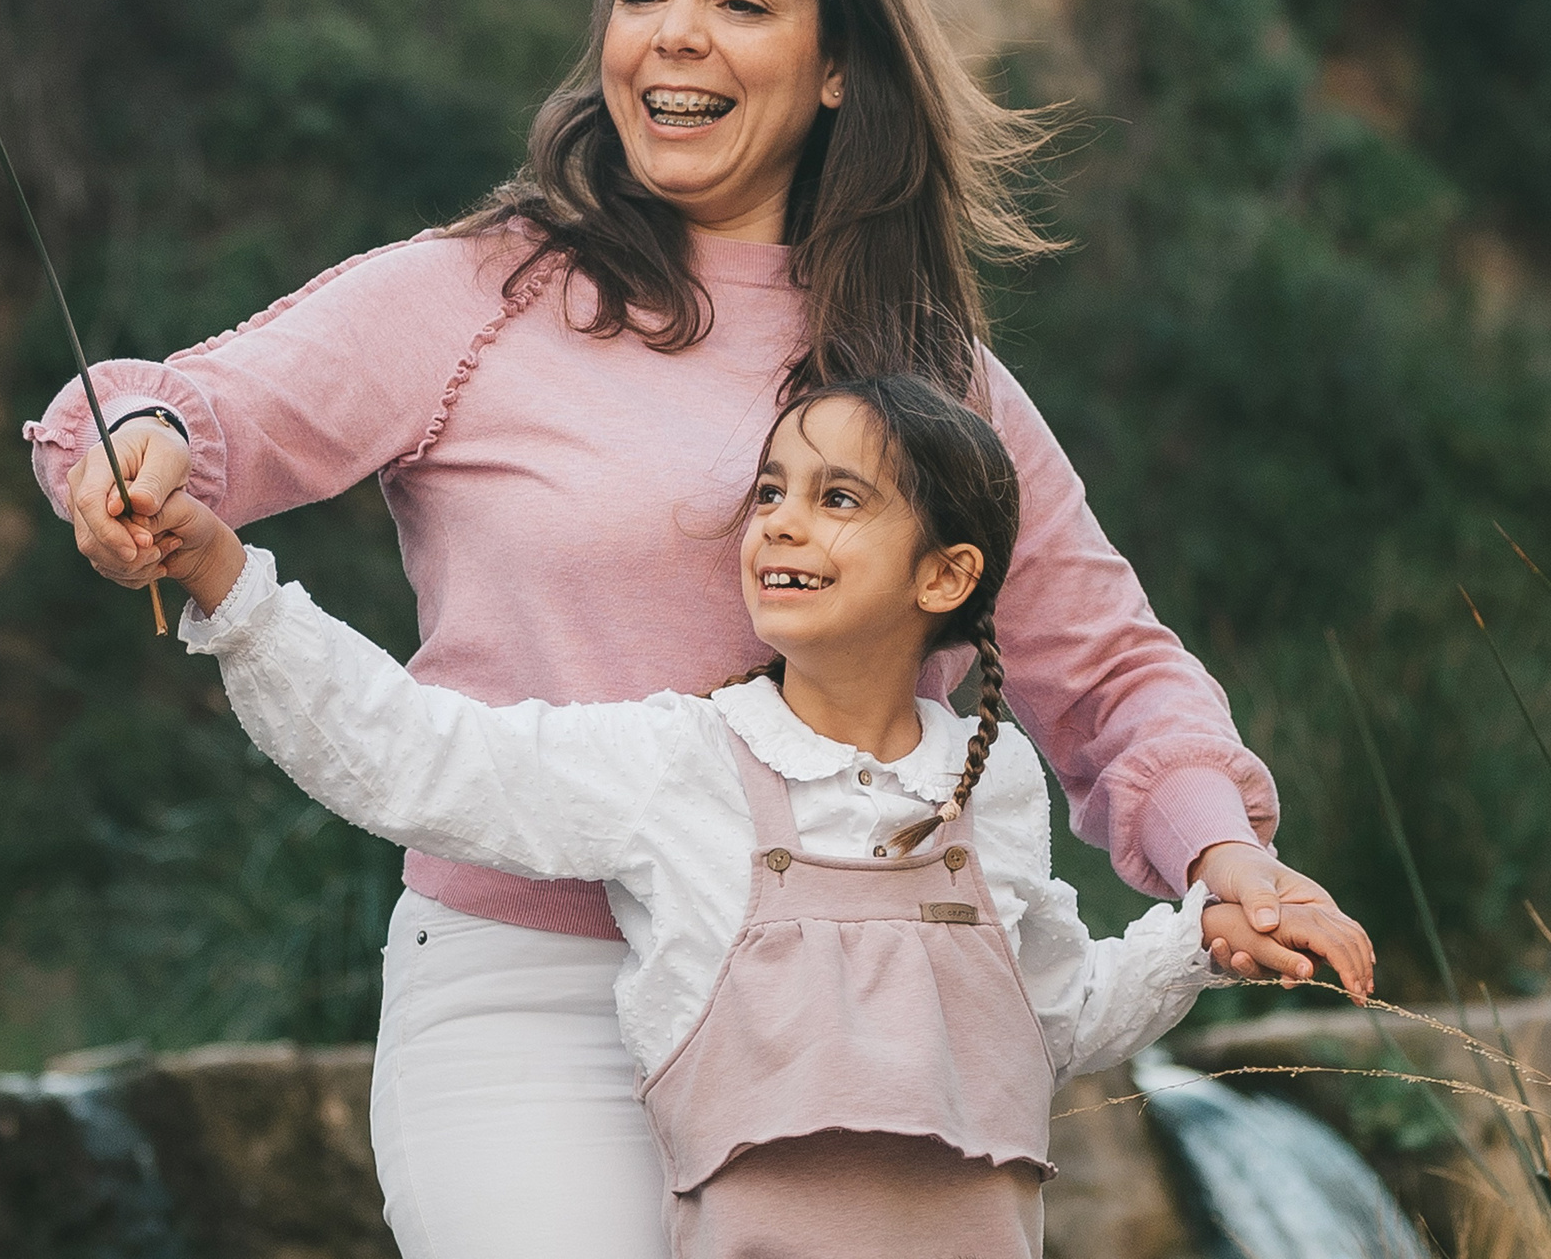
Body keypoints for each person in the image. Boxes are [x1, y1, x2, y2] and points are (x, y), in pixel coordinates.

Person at [25, 0, 1375, 1256]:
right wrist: (136, 457)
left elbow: (1105, 672)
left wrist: (1220, 857)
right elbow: (180, 409)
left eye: (740, 1)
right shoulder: (477, 296)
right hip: (528, 1005)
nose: (676, 35)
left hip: (855, 1010)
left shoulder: (929, 371)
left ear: (836, 63)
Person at [150, 375, 1373, 1258]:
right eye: (772, 491)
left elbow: (1051, 1018)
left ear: (946, 574)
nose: (781, 520)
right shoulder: (681, 766)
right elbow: (417, 758)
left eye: (838, 498)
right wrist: (228, 586)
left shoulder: (989, 782)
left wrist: (1199, 937)